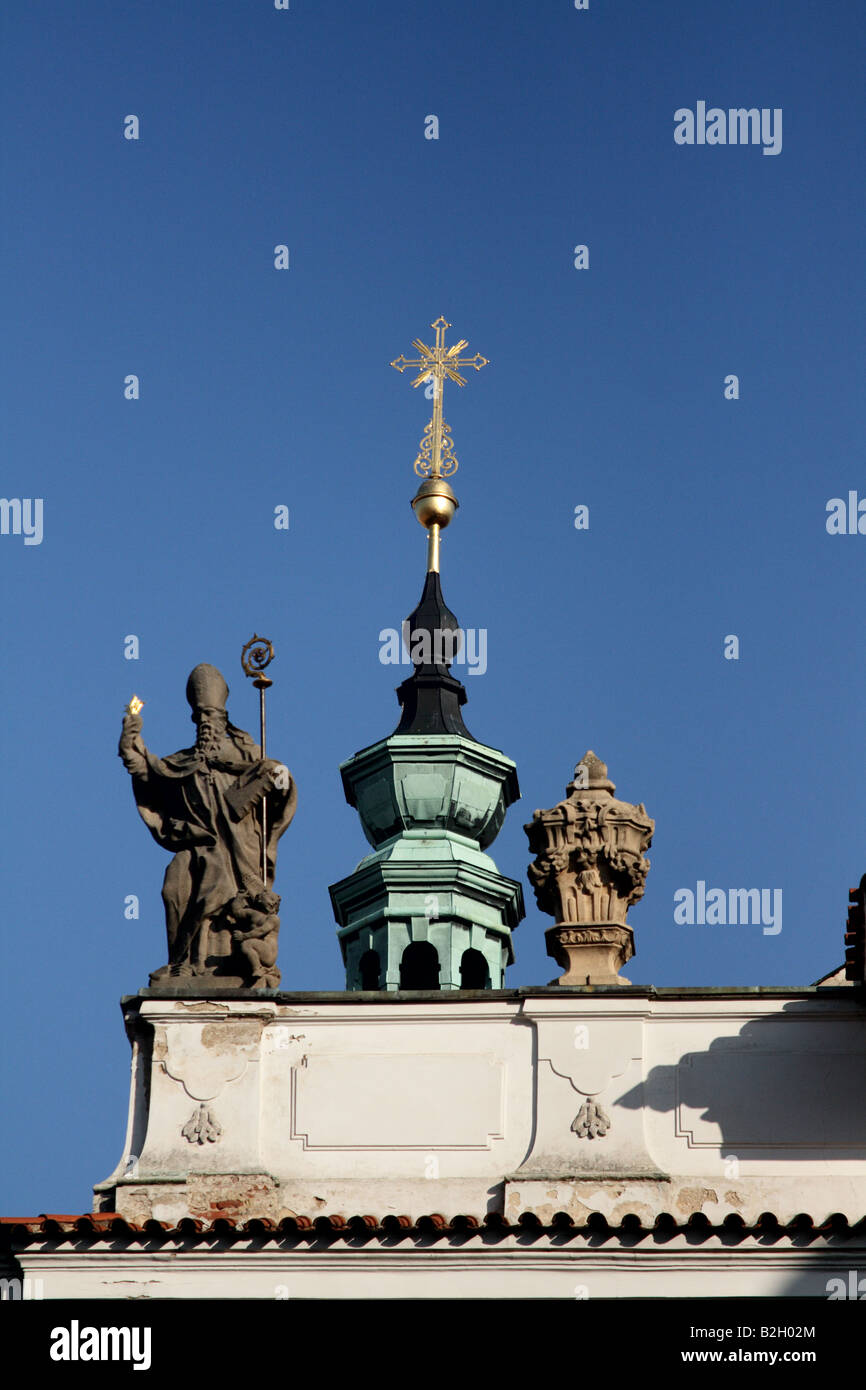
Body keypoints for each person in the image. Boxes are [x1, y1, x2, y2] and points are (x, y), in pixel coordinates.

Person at [118, 663, 296, 982]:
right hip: (199, 846)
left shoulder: (247, 757)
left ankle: (230, 963)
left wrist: (279, 779)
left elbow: (279, 782)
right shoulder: (185, 763)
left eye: (210, 717)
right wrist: (132, 741)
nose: (204, 723)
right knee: (174, 886)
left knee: (220, 890)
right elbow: (148, 773)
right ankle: (181, 962)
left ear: (223, 719)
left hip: (240, 851)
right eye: (199, 717)